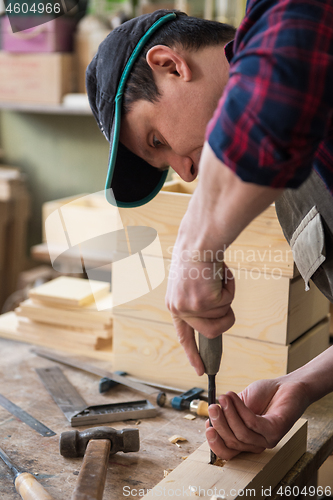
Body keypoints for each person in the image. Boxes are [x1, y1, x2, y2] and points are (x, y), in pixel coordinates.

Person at [86, 2, 333, 460]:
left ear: (169, 64)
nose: (187, 172)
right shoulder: (284, 182)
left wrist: (194, 246)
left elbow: (282, 80)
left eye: (157, 141)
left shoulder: (289, 19)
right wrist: (301, 384)